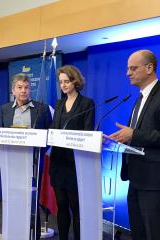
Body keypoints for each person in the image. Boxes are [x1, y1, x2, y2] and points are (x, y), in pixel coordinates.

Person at [108, 50, 160, 240]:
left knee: (154, 234)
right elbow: (137, 135)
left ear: (149, 68)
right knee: (139, 233)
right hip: (136, 178)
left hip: (155, 182)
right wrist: (118, 138)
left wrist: (134, 134)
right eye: (128, 69)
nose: (128, 73)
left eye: (133, 68)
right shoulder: (139, 98)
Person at [0, 73, 52, 240]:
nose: (23, 91)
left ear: (30, 89)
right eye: (20, 88)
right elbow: (0, 135)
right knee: (13, 199)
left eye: (27, 87)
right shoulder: (5, 109)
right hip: (11, 164)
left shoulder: (41, 108)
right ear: (13, 90)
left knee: (32, 203)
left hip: (34, 164)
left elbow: (50, 135)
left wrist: (39, 153)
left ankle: (33, 235)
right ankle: (13, 233)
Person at [49, 65, 95, 240]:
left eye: (66, 81)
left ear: (75, 81)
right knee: (61, 205)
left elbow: (88, 131)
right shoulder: (59, 103)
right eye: (61, 82)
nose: (63, 85)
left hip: (76, 164)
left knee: (76, 207)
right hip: (58, 162)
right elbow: (54, 129)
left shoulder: (87, 103)